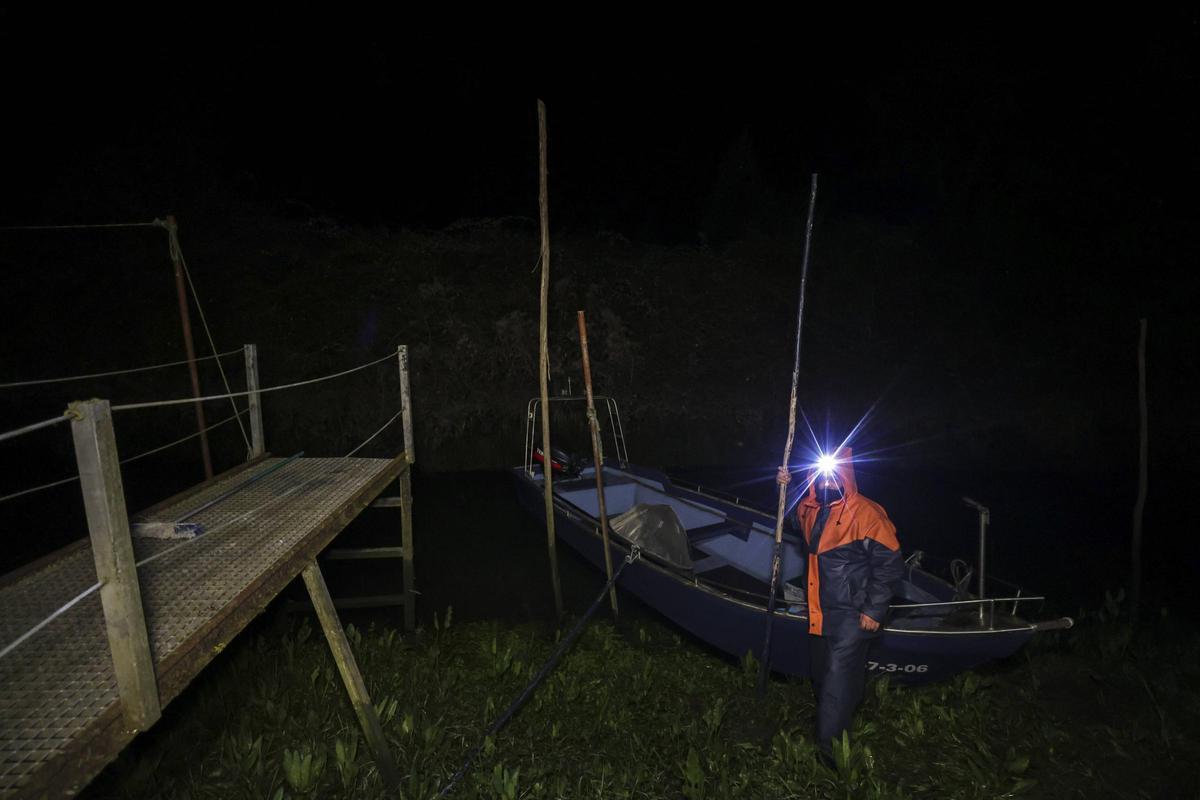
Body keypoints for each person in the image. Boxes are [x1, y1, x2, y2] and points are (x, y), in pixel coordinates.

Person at [778, 447, 903, 766]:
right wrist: (786, 486)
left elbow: (889, 565)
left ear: (846, 474)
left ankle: (831, 761)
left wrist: (874, 610)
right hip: (818, 611)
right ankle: (840, 723)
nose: (826, 479)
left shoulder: (867, 513)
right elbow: (790, 516)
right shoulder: (808, 507)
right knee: (822, 676)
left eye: (834, 473)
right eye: (820, 473)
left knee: (835, 684)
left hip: (852, 613)